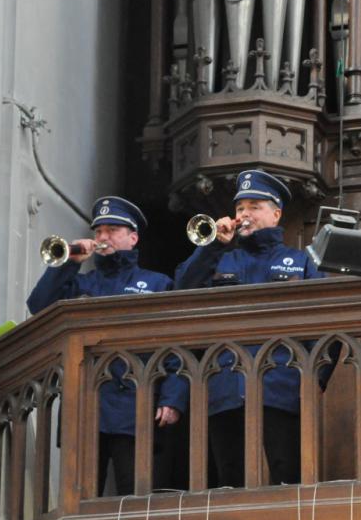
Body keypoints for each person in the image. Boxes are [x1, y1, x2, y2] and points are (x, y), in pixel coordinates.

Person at [174, 169, 337, 487]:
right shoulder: (221, 258)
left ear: (275, 214)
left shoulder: (301, 261)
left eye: (253, 206)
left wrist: (317, 377)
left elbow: (327, 323)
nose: (244, 214)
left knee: (286, 472)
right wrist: (212, 247)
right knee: (229, 478)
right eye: (239, 208)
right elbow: (182, 289)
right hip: (225, 384)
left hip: (280, 385)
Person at [27, 196, 186, 496]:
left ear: (133, 237)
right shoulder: (82, 283)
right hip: (86, 403)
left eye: (112, 230)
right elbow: (39, 305)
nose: (102, 237)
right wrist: (69, 263)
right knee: (81, 496)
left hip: (135, 404)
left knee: (133, 494)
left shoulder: (156, 284)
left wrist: (173, 397)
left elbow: (174, 344)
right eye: (98, 231)